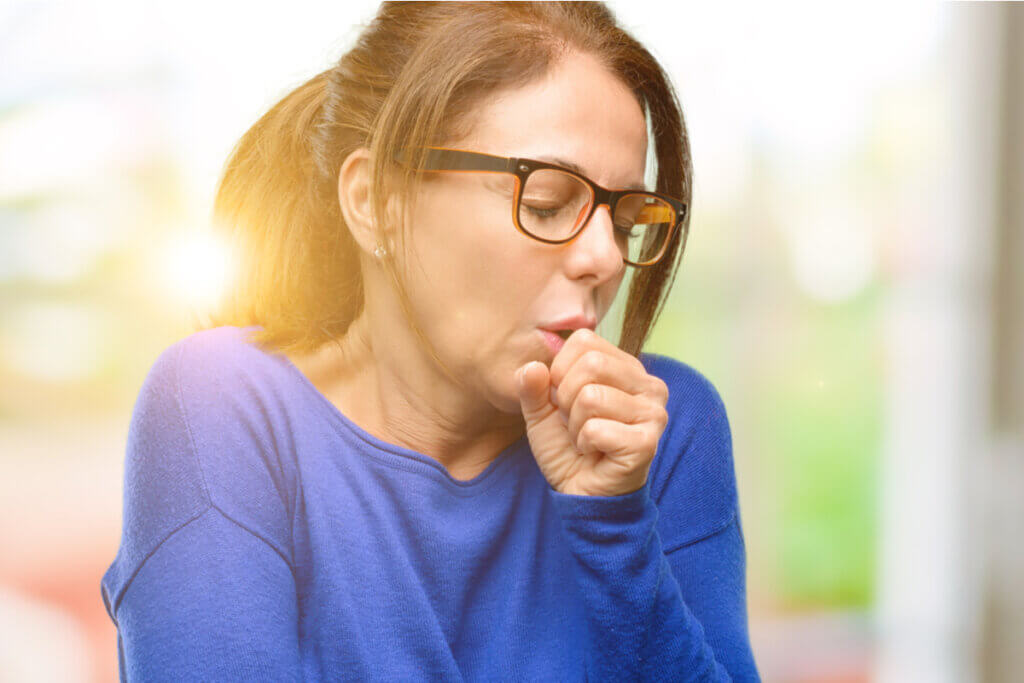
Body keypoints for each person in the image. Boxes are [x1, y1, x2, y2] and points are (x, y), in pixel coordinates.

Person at [100, 2, 760, 680]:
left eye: (626, 219)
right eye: (547, 202)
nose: (604, 257)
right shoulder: (222, 403)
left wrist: (614, 524)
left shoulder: (666, 429)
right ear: (376, 199)